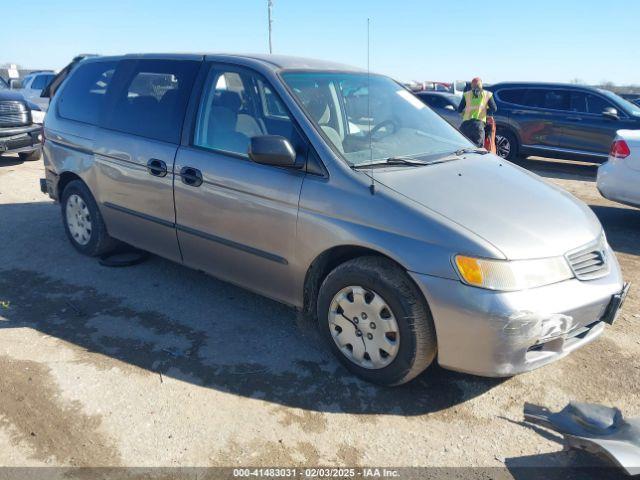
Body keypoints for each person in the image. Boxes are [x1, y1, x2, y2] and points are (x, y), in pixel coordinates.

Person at [457, 77, 497, 148]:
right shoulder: (487, 94)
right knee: (477, 150)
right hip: (478, 126)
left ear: (472, 85)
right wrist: (486, 113)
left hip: (465, 126)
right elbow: (494, 109)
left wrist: (464, 114)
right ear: (481, 85)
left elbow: (459, 109)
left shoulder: (467, 94)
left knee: (463, 148)